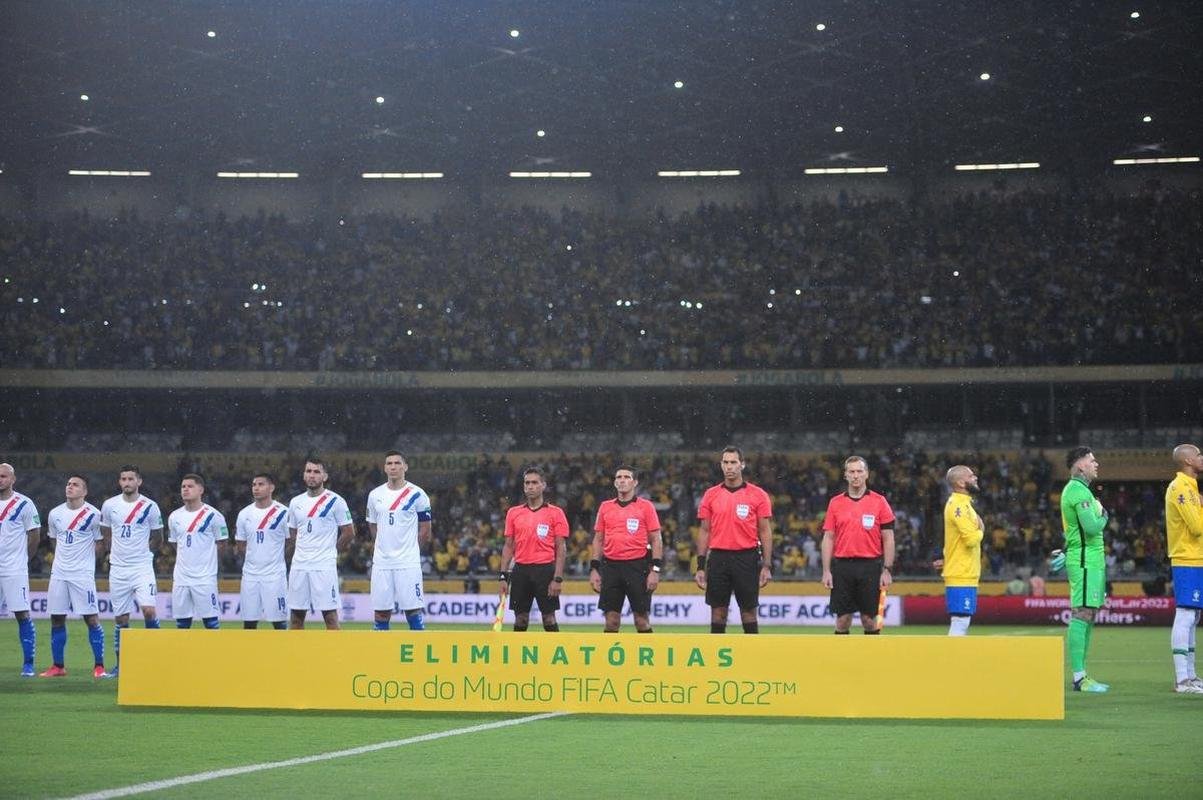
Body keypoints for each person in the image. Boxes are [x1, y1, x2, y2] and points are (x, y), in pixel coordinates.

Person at [694, 447, 773, 635]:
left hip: (746, 557)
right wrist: (700, 566)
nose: (729, 466)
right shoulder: (711, 494)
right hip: (718, 558)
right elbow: (704, 531)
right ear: (721, 465)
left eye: (733, 462)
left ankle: (751, 652)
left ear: (742, 465)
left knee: (748, 612)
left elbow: (765, 531)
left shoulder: (758, 494)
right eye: (726, 462)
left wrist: (766, 566)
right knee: (718, 613)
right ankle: (717, 652)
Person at [41, 475, 109, 678]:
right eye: (68, 484)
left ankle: (99, 666)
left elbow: (100, 543)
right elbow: (54, 541)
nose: (70, 487)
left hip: (82, 575)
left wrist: (85, 561)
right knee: (56, 618)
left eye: (75, 485)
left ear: (85, 491)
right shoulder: (55, 514)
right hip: (59, 573)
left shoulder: (94, 515)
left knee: (91, 619)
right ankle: (58, 666)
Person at [99, 465, 163, 676]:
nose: (126, 482)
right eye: (123, 479)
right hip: (118, 569)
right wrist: (113, 552)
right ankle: (121, 665)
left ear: (139, 481)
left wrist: (145, 553)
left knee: (149, 610)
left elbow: (158, 537)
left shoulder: (150, 506)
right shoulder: (110, 505)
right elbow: (106, 531)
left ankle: (156, 660)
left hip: (142, 568)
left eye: (130, 479)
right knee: (121, 619)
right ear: (120, 482)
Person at [821, 455, 895, 635]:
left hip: (870, 566)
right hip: (843, 566)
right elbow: (828, 537)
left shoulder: (879, 501)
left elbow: (888, 538)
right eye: (851, 471)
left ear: (867, 474)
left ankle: (871, 653)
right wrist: (826, 571)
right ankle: (841, 654)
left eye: (859, 471)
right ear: (845, 475)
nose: (855, 475)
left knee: (869, 621)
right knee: (842, 620)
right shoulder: (835, 503)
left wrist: (887, 570)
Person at [589, 465, 662, 633]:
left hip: (638, 567)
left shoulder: (646, 506)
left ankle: (647, 651)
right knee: (611, 621)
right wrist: (594, 569)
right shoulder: (605, 507)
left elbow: (656, 539)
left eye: (626, 477)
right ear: (615, 482)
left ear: (635, 482)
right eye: (619, 477)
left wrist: (655, 570)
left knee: (641, 621)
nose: (622, 480)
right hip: (611, 567)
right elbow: (598, 539)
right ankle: (610, 651)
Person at [1060, 446, 1110, 692]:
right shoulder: (1077, 491)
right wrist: (1105, 515)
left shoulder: (1080, 490)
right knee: (1082, 614)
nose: (1096, 464)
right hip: (1084, 561)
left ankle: (1082, 676)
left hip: (1091, 561)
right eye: (1092, 460)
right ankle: (1079, 678)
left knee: (1088, 615)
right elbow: (1091, 528)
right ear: (1080, 465)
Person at [365, 451, 432, 631]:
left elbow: (425, 530)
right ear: (385, 468)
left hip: (407, 562)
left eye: (397, 463)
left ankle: (418, 648)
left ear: (405, 467)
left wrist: (411, 551)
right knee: (381, 614)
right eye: (389, 463)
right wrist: (382, 547)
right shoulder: (375, 495)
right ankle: (381, 649)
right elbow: (372, 525)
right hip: (382, 562)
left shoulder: (418, 494)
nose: (393, 467)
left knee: (413, 613)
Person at [287, 458, 354, 630]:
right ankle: (296, 649)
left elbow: (349, 532)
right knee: (296, 619)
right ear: (304, 475)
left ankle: (335, 649)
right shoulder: (295, 502)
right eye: (308, 471)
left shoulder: (336, 501)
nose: (312, 475)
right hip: (299, 565)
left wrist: (331, 552)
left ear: (324, 476)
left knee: (330, 618)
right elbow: (293, 533)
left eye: (316, 472)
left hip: (324, 566)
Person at [498, 467, 569, 632]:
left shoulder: (556, 513)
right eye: (527, 483)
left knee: (549, 618)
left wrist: (558, 579)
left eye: (535, 483)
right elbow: (508, 546)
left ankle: (554, 649)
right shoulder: (513, 513)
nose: (530, 486)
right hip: (520, 570)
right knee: (520, 618)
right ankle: (519, 650)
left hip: (545, 570)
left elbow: (561, 547)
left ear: (543, 485)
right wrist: (503, 576)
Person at [166, 474, 228, 629]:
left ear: (201, 490)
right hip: (181, 578)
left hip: (204, 578)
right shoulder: (174, 517)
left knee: (211, 622)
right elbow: (175, 543)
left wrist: (207, 560)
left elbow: (222, 543)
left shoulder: (214, 516)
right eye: (183, 486)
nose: (185, 489)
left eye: (190, 486)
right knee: (182, 623)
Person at [1165, 443, 1203, 693]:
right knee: (1186, 614)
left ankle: (1190, 675)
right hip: (1187, 558)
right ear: (1188, 461)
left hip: (1195, 558)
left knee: (1193, 616)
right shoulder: (1181, 487)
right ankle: (1182, 680)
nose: (1202, 457)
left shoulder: (1190, 486)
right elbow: (1197, 527)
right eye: (1198, 454)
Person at [234, 473, 291, 630]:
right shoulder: (244, 514)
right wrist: (254, 558)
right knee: (249, 622)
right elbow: (240, 544)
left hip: (275, 575)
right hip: (250, 575)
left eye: (261, 484)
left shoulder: (283, 513)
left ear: (271, 488)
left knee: (279, 622)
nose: (256, 488)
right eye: (254, 485)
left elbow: (291, 541)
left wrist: (276, 558)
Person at [0, 463, 41, 677]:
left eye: (4, 476)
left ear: (13, 479)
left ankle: (28, 664)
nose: (0, 479)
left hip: (14, 568)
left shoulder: (24, 504)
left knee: (22, 614)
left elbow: (34, 535)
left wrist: (23, 559)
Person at [942, 465, 983, 636]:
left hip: (965, 571)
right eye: (971, 476)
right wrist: (981, 530)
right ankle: (952, 653)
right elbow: (971, 539)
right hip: (961, 573)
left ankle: (955, 652)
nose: (975, 478)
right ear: (960, 482)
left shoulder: (964, 504)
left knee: (962, 620)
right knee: (960, 620)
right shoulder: (958, 506)